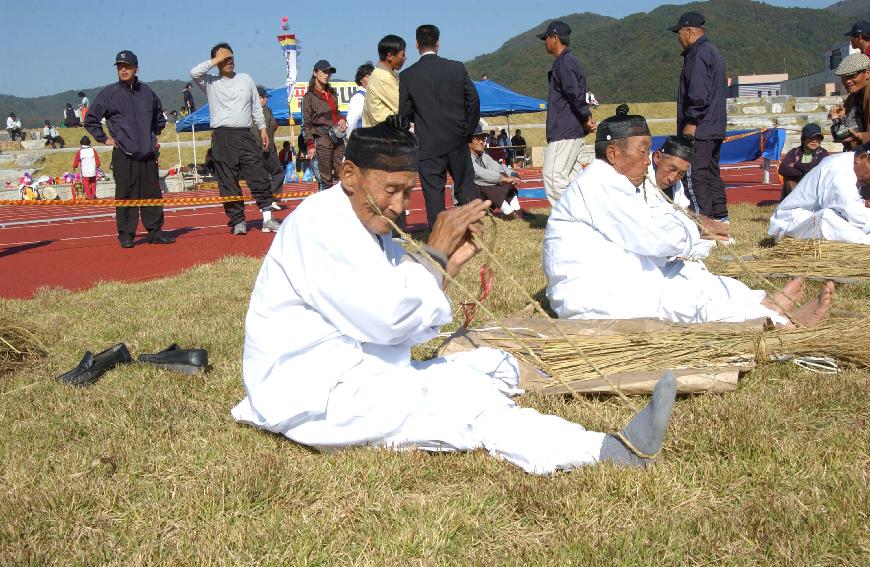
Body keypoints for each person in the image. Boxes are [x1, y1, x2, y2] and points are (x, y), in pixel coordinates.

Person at [230, 118, 680, 474]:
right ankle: (603, 449)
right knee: (467, 403)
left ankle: (576, 421)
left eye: (407, 192)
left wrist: (451, 262)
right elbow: (390, 321)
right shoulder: (319, 227)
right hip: (315, 396)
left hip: (358, 369)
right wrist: (436, 250)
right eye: (391, 190)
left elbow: (400, 308)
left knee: (484, 365)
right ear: (349, 175)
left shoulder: (361, 223)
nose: (402, 206)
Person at [542, 106, 834, 327]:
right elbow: (655, 236)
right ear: (613, 153)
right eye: (643, 151)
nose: (647, 159)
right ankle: (778, 323)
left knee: (694, 275)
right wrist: (697, 230)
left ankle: (763, 300)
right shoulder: (599, 184)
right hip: (592, 293)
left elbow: (666, 223)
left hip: (624, 275)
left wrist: (692, 230)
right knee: (681, 301)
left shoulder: (621, 182)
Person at [85, 50, 175, 248]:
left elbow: (159, 120)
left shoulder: (148, 93)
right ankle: (126, 234)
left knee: (152, 193)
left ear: (136, 68)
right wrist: (104, 139)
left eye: (127, 66)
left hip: (148, 154)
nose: (123, 70)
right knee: (126, 194)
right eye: (120, 67)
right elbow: (90, 119)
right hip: (124, 154)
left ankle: (155, 231)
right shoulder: (109, 93)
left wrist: (150, 138)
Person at [191, 42, 279, 234]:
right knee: (228, 180)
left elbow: (256, 106)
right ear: (216, 61)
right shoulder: (210, 82)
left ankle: (267, 218)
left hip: (245, 134)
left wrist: (263, 129)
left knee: (258, 174)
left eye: (231, 57)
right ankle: (238, 221)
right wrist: (216, 60)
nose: (228, 61)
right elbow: (194, 73)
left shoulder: (245, 79)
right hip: (222, 137)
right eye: (224, 58)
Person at [399, 24, 480, 229]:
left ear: (417, 45)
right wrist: (467, 130)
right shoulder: (456, 67)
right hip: (456, 139)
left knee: (433, 195)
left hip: (428, 144)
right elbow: (473, 100)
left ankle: (439, 239)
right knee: (465, 188)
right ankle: (472, 229)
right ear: (438, 43)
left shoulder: (408, 76)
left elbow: (405, 112)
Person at [672, 11, 728, 222]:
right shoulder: (712, 51)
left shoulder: (698, 54)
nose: (678, 38)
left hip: (701, 126)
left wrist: (691, 121)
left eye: (678, 32)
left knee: (695, 176)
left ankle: (705, 226)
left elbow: (698, 92)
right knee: (711, 173)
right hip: (714, 125)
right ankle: (721, 220)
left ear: (688, 31)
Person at [538, 20, 595, 205]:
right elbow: (579, 94)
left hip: (564, 129)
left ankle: (567, 222)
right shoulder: (569, 61)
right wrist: (586, 117)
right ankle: (585, 218)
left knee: (553, 177)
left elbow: (574, 94)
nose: (544, 42)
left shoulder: (565, 62)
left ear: (555, 38)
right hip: (572, 129)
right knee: (572, 179)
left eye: (546, 38)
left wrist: (586, 116)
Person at [768, 146, 870, 245]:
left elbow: (849, 203)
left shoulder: (848, 163)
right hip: (790, 223)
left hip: (810, 216)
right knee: (827, 218)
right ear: (862, 158)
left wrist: (863, 204)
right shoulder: (840, 169)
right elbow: (851, 211)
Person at [302, 59, 347, 188]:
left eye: (329, 72)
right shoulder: (309, 97)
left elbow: (337, 113)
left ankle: (342, 206)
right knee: (325, 178)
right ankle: (325, 207)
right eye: (324, 71)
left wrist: (342, 118)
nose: (327, 74)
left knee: (343, 173)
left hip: (337, 137)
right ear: (315, 73)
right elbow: (306, 125)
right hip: (321, 138)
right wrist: (310, 145)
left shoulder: (332, 94)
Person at [469, 124, 526, 219]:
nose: (482, 141)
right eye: (478, 138)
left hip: (483, 199)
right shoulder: (465, 157)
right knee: (488, 180)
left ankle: (517, 211)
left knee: (502, 175)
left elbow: (499, 166)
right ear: (469, 141)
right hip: (469, 200)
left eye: (483, 138)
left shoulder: (483, 156)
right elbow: (479, 173)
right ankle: (509, 212)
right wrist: (504, 179)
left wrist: (512, 174)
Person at [362, 35, 406, 128]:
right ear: (389, 56)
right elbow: (402, 106)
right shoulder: (383, 77)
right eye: (403, 54)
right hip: (383, 134)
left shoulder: (381, 73)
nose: (405, 58)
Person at [828, 53, 870, 150]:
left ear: (867, 73)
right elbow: (842, 134)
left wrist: (860, 136)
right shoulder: (853, 97)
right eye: (844, 77)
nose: (847, 81)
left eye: (852, 76)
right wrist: (840, 118)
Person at [252, 85, 285, 204]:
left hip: (269, 147)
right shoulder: (256, 111)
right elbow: (255, 131)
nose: (267, 99)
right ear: (259, 98)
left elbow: (273, 126)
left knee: (267, 175)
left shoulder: (268, 109)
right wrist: (262, 145)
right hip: (262, 148)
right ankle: (271, 199)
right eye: (265, 97)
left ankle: (268, 199)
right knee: (277, 173)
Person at [777, 124, 829, 199]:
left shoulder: (823, 153)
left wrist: (796, 165)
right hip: (797, 185)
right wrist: (806, 172)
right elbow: (782, 169)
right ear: (803, 139)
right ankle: (793, 203)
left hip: (814, 185)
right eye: (811, 138)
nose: (814, 141)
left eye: (817, 138)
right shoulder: (794, 152)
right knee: (789, 180)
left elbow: (817, 170)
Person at [346, 62, 373, 139]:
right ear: (361, 79)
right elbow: (351, 122)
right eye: (367, 76)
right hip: (362, 140)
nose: (371, 79)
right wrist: (350, 139)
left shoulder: (374, 96)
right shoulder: (358, 98)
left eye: (373, 76)